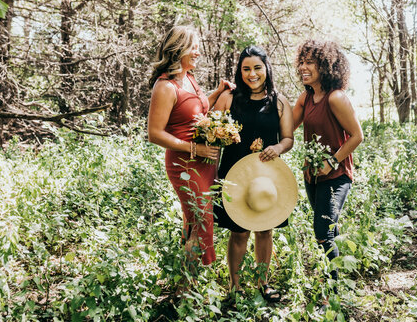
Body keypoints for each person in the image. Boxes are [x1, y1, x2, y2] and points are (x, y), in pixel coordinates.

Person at [213, 46, 294, 302]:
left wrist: (279, 147)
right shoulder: (229, 98)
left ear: (266, 69)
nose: (252, 74)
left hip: (266, 175)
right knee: (238, 232)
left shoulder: (279, 101)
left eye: (257, 67)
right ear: (240, 71)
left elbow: (289, 138)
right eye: (246, 68)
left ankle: (263, 283)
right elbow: (210, 131)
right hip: (234, 172)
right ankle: (235, 288)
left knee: (264, 230)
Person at [147, 25, 233, 267]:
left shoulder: (189, 79)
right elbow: (154, 134)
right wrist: (194, 149)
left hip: (205, 163)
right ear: (178, 49)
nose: (198, 53)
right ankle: (187, 292)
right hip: (184, 164)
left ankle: (188, 284)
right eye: (193, 48)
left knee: (195, 221)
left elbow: (197, 108)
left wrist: (218, 92)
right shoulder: (165, 86)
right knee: (202, 220)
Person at [292, 40, 363, 297]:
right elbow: (285, 127)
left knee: (323, 231)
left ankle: (332, 293)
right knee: (328, 229)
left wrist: (332, 161)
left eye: (309, 62)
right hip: (311, 176)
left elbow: (357, 136)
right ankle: (338, 273)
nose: (303, 67)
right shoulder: (306, 97)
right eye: (302, 61)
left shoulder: (336, 97)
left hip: (337, 176)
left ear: (326, 65)